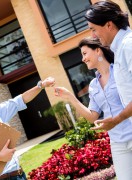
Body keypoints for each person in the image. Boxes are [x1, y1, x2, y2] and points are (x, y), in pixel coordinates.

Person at [54, 37, 132, 179]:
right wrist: (71, 97)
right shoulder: (94, 85)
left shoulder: (120, 71)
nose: (83, 59)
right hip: (117, 142)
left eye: (84, 53)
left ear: (97, 50)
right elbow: (92, 116)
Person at [84, 0, 132, 131]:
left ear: (109, 25)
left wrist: (117, 120)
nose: (93, 36)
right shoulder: (120, 48)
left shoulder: (128, 46)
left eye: (94, 29)